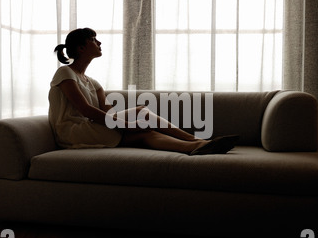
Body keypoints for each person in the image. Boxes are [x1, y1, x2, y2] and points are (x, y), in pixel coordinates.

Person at [48, 27, 238, 155]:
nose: (99, 43)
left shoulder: (94, 83)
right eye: (93, 40)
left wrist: (128, 121)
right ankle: (199, 143)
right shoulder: (65, 73)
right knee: (140, 119)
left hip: (91, 127)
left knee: (144, 124)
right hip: (73, 132)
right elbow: (86, 110)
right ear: (81, 48)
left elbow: (107, 111)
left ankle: (197, 145)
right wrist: (126, 124)